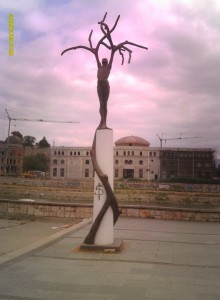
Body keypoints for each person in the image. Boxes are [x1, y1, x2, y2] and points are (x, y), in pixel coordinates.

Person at [97, 57, 112, 129]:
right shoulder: (99, 67)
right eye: (103, 61)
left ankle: (104, 123)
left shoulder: (108, 68)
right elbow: (96, 57)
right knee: (101, 103)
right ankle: (102, 121)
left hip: (106, 86)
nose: (104, 62)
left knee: (105, 104)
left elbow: (112, 58)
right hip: (99, 86)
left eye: (106, 61)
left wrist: (112, 52)